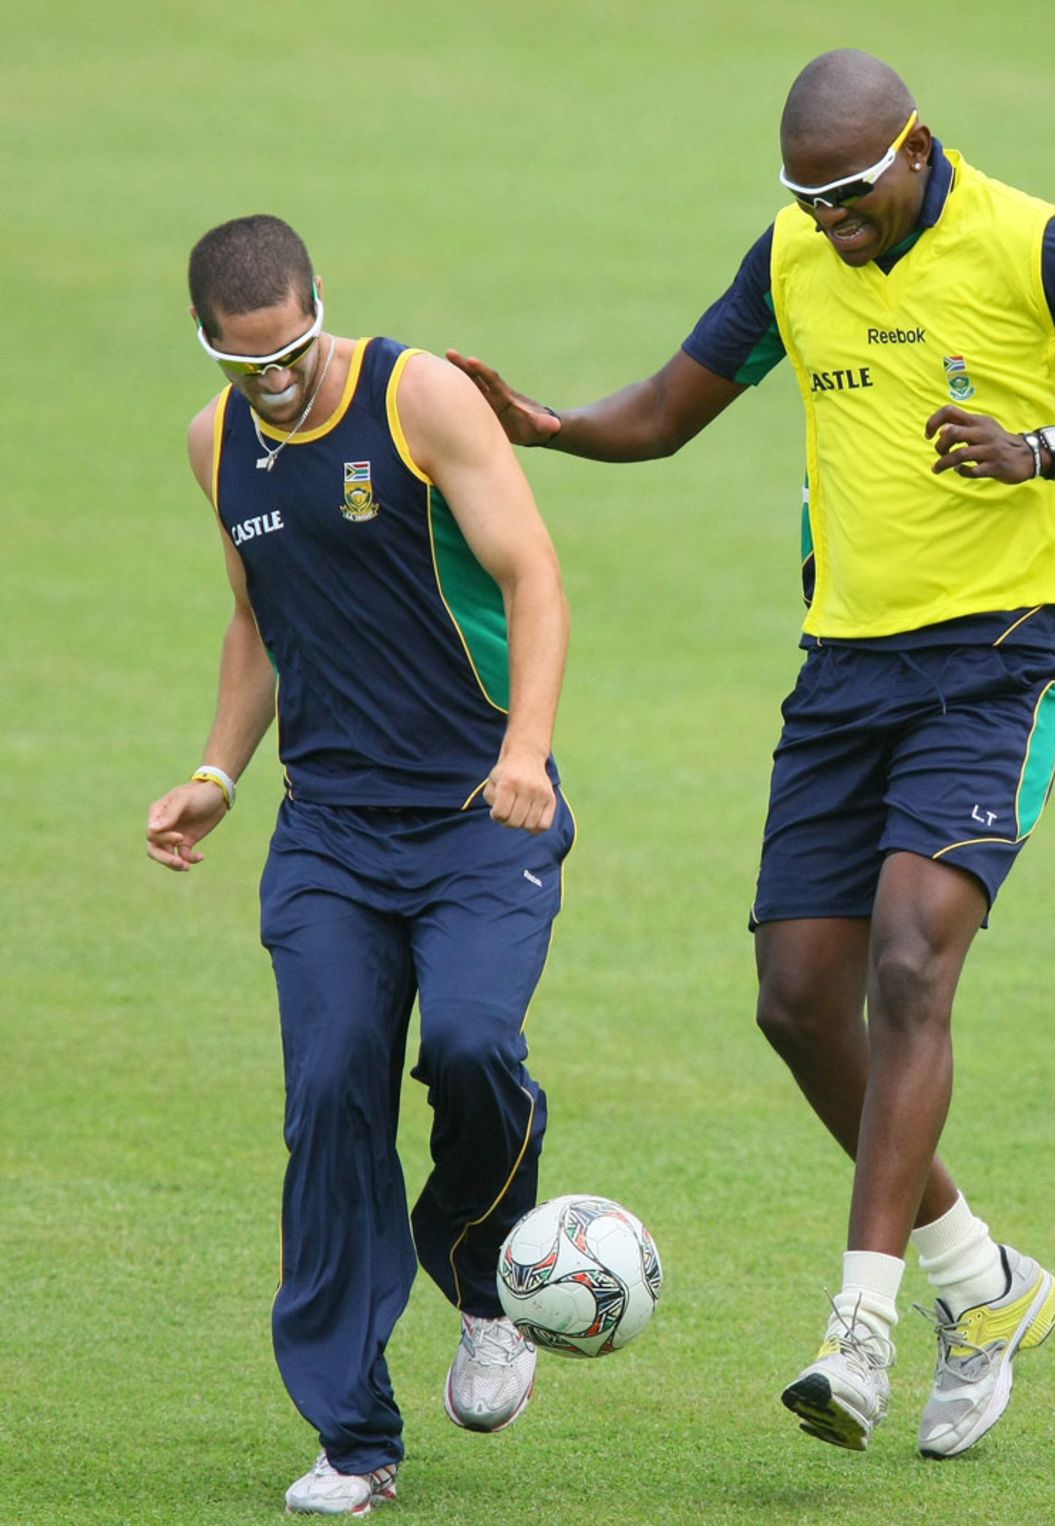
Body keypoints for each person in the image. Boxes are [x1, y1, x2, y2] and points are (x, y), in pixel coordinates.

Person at [447, 49, 1055, 1460]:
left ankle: (860, 1332)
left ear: (917, 151)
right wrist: (546, 426)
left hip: (996, 664)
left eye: (854, 197)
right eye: (809, 199)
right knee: (799, 1002)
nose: (832, 223)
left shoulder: (1031, 242)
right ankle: (980, 1282)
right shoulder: (793, 257)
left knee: (910, 961)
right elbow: (673, 409)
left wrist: (1046, 444)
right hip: (845, 667)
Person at [147, 215, 575, 1515]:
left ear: (321, 309)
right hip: (328, 834)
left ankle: (484, 1261)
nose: (272, 387)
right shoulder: (218, 444)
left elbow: (535, 575)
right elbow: (258, 623)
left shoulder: (417, 398)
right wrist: (218, 774)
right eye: (243, 368)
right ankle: (355, 1437)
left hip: (475, 817)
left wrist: (528, 752)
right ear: (211, 351)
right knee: (330, 1097)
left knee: (473, 1047)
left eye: (292, 356)